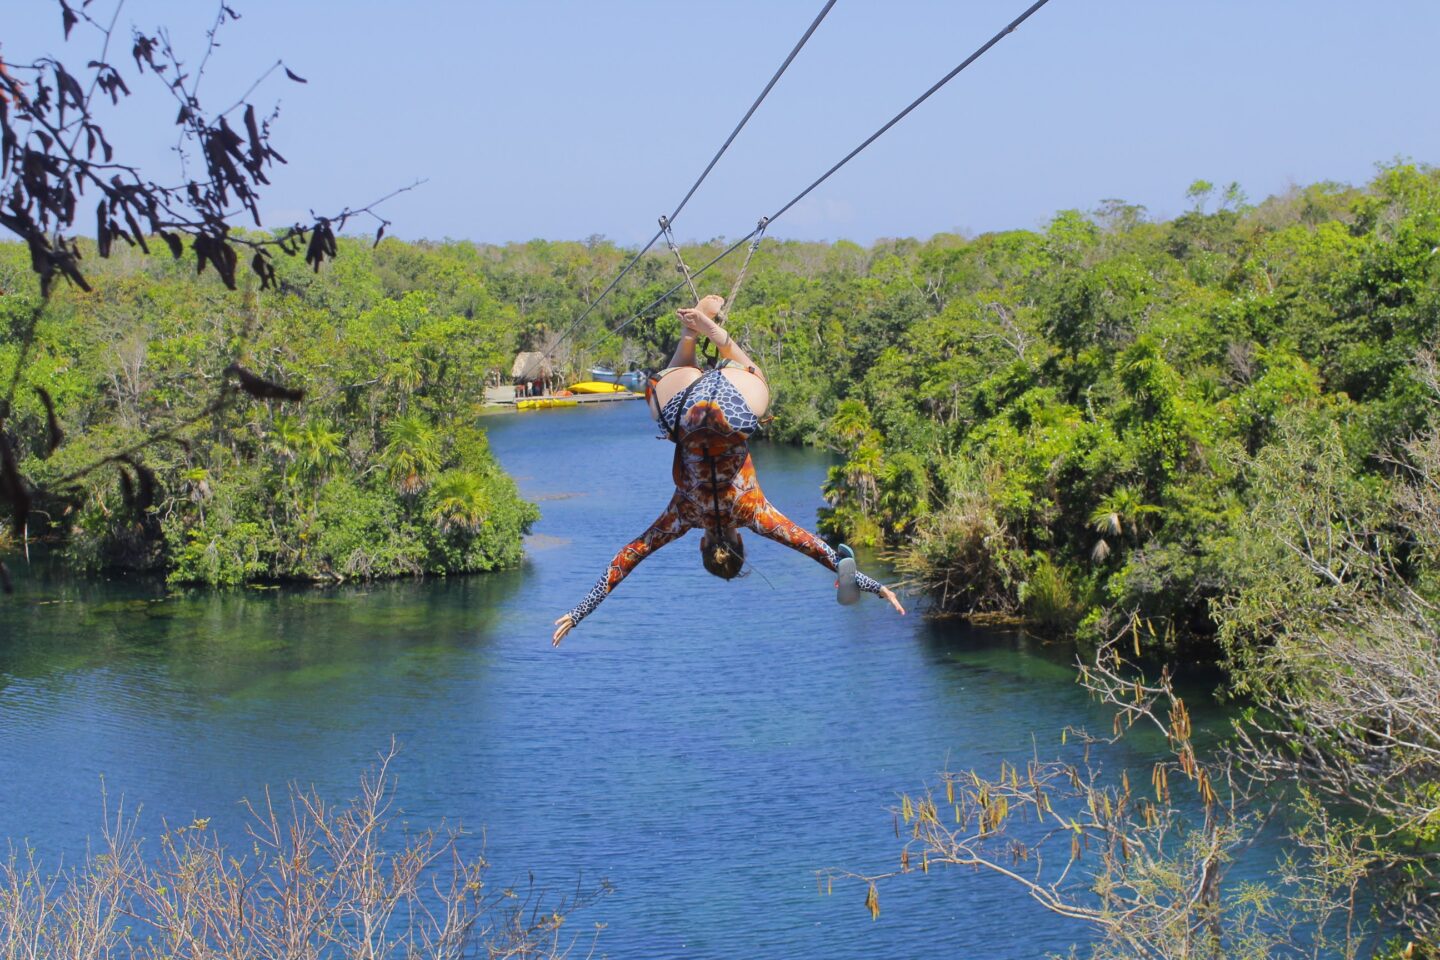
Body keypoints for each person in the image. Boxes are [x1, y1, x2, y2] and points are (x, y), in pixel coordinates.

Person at [552, 294, 905, 645]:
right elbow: (626, 558)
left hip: (735, 411)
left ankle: (718, 337)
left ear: (742, 543)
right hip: (686, 417)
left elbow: (819, 550)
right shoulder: (683, 516)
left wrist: (873, 585)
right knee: (664, 386)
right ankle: (692, 334)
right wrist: (580, 611)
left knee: (757, 376)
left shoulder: (756, 516)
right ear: (701, 545)